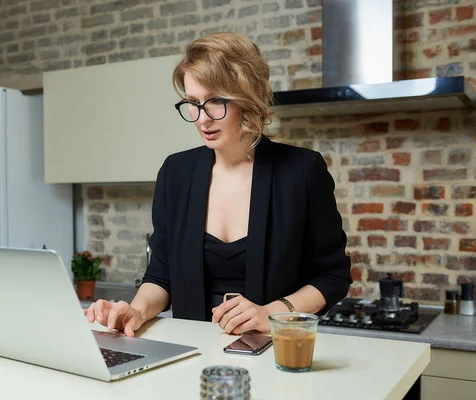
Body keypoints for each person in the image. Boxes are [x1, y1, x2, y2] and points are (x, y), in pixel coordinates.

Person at [85, 32, 352, 337]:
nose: (202, 119)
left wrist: (270, 313)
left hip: (275, 353)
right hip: (190, 355)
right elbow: (161, 275)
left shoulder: (302, 170)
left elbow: (333, 276)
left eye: (215, 101)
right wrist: (137, 310)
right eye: (193, 103)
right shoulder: (176, 172)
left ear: (246, 98)